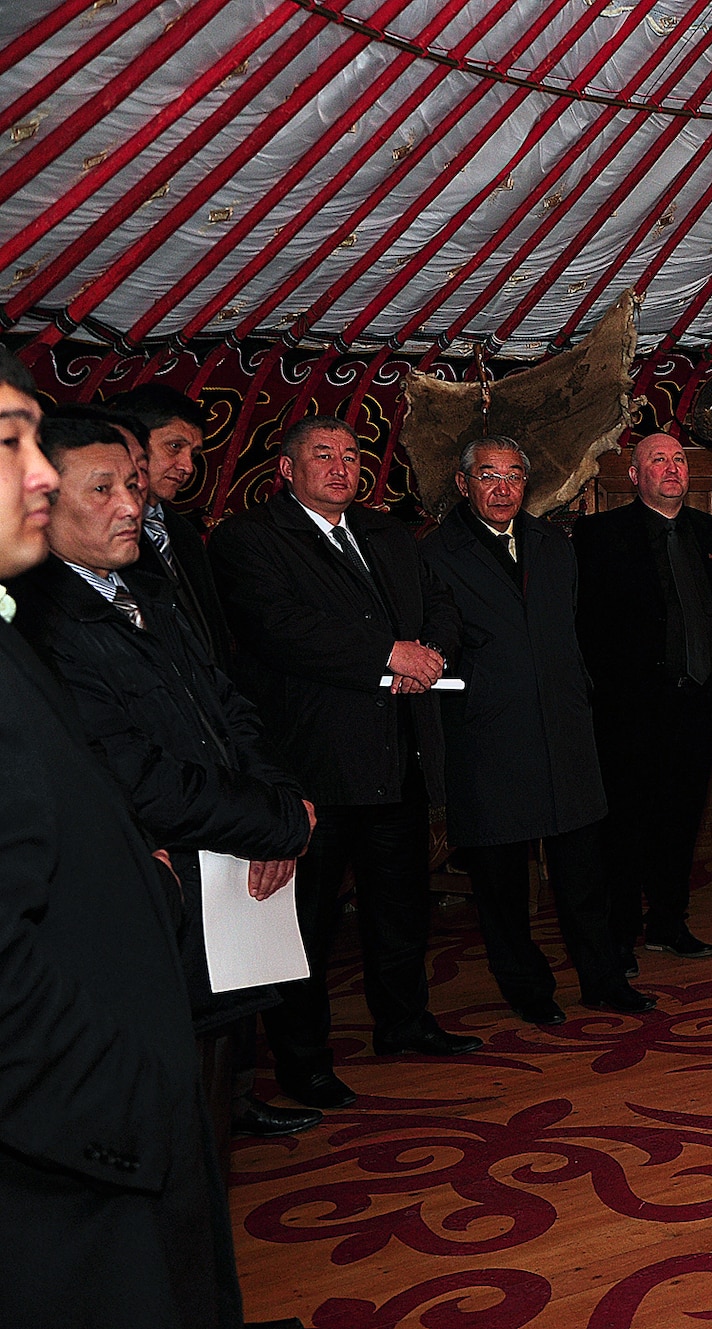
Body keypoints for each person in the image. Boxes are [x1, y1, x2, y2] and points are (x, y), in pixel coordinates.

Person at [0, 347, 260, 1327]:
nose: (38, 474)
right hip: (74, 1150)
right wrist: (131, 1110)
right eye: (10, 444)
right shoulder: (49, 626)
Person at [11, 415, 321, 1153]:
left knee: (213, 1093)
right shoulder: (43, 626)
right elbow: (136, 778)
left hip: (223, 878)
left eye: (132, 484)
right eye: (105, 489)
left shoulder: (147, 590)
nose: (131, 505)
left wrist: (280, 803)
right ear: (45, 501)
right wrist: (275, 823)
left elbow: (230, 708)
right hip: (152, 896)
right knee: (172, 1125)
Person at [210, 415, 477, 1113]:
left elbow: (442, 603)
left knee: (401, 902)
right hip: (315, 762)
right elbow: (279, 628)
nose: (340, 467)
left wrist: (431, 654)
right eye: (322, 455)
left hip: (397, 753)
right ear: (286, 471)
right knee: (309, 922)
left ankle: (404, 1021)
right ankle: (303, 1060)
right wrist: (387, 655)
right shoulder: (251, 539)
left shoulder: (386, 532)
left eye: (352, 455)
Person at [419, 437, 654, 1021]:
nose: (503, 488)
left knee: (584, 874)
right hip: (488, 737)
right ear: (463, 483)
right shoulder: (433, 553)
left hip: (565, 730)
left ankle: (602, 978)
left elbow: (571, 629)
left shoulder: (554, 544)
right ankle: (527, 989)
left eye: (515, 476)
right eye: (489, 476)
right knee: (501, 884)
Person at [572, 427, 712, 966]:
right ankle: (618, 936)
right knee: (624, 829)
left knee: (680, 824)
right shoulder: (598, 535)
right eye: (657, 460)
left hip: (694, 709)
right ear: (634, 475)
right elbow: (585, 629)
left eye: (679, 459)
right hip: (629, 715)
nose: (671, 468)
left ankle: (669, 922)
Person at [107, 384, 228, 663]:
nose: (187, 466)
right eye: (175, 447)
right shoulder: (103, 528)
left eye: (194, 454)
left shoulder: (183, 532)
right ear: (131, 443)